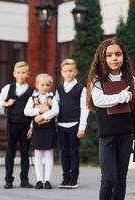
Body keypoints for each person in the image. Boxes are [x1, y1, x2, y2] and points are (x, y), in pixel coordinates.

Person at [86, 37, 135, 200]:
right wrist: (123, 96)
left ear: (123, 56)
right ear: (102, 58)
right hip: (107, 136)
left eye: (118, 54)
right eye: (109, 55)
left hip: (126, 134)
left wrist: (134, 95)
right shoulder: (97, 79)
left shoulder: (128, 77)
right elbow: (99, 100)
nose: (114, 58)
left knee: (121, 179)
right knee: (108, 180)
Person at [0, 61, 34, 189]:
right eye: (18, 73)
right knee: (10, 153)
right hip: (12, 124)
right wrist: (6, 104)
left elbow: (35, 109)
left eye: (23, 73)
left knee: (25, 153)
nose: (21, 75)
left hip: (26, 126)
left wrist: (32, 127)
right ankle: (8, 180)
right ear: (14, 74)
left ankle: (24, 180)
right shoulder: (9, 88)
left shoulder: (32, 91)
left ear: (28, 74)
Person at [55, 58, 89, 189]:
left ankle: (73, 179)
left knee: (73, 152)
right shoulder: (58, 90)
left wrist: (82, 127)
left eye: (71, 71)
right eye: (65, 71)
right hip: (61, 125)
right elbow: (55, 107)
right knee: (64, 152)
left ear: (76, 72)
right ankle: (65, 178)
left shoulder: (81, 89)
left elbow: (84, 108)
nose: (68, 73)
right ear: (62, 73)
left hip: (75, 125)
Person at [24, 73, 59, 189]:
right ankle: (39, 179)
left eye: (47, 85)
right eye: (42, 85)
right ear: (37, 85)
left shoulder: (52, 98)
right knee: (38, 154)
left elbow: (55, 111)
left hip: (49, 128)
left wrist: (43, 116)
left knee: (49, 154)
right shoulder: (33, 98)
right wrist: (39, 110)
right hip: (38, 128)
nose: (45, 87)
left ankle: (47, 180)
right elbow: (26, 111)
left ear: (50, 86)